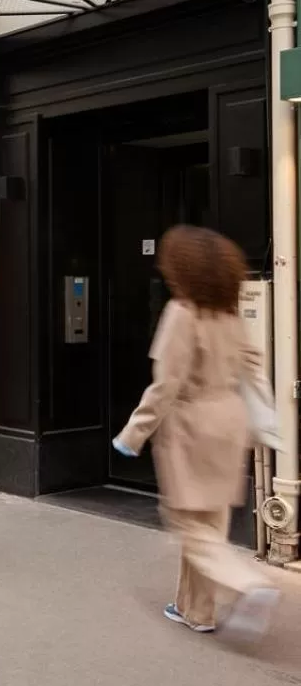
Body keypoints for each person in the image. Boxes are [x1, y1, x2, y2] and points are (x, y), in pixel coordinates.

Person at [115, 225, 278, 640]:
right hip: (229, 420)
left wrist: (133, 433)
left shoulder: (181, 313)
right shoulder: (229, 313)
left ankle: (249, 585)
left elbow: (165, 384)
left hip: (192, 426)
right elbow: (254, 367)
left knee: (187, 522)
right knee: (210, 520)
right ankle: (196, 611)